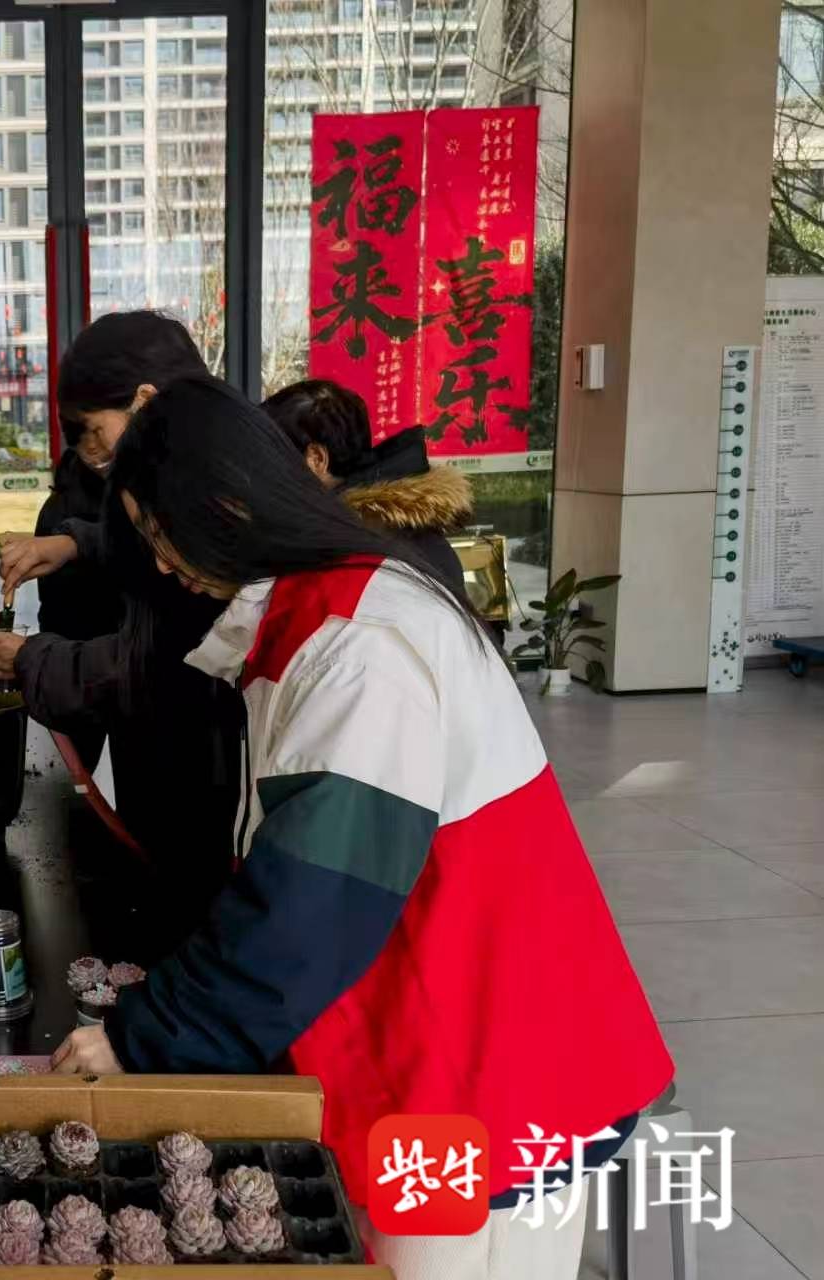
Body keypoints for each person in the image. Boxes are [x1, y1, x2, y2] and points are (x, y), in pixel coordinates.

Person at [48, 378, 673, 1279]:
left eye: (158, 531)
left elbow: (309, 905)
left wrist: (145, 1036)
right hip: (433, 1041)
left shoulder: (357, 646)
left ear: (228, 504)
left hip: (483, 1075)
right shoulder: (321, 609)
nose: (159, 561)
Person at [0, 312, 243, 918]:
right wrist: (71, 543)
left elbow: (158, 660)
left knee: (188, 897)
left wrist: (32, 660)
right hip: (175, 743)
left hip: (203, 755)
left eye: (93, 429)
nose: (90, 452)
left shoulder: (207, 488)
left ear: (145, 401)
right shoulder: (190, 466)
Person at [263, 378, 472, 592]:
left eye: (271, 458)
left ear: (316, 459)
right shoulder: (384, 533)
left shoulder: (354, 549)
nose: (262, 476)